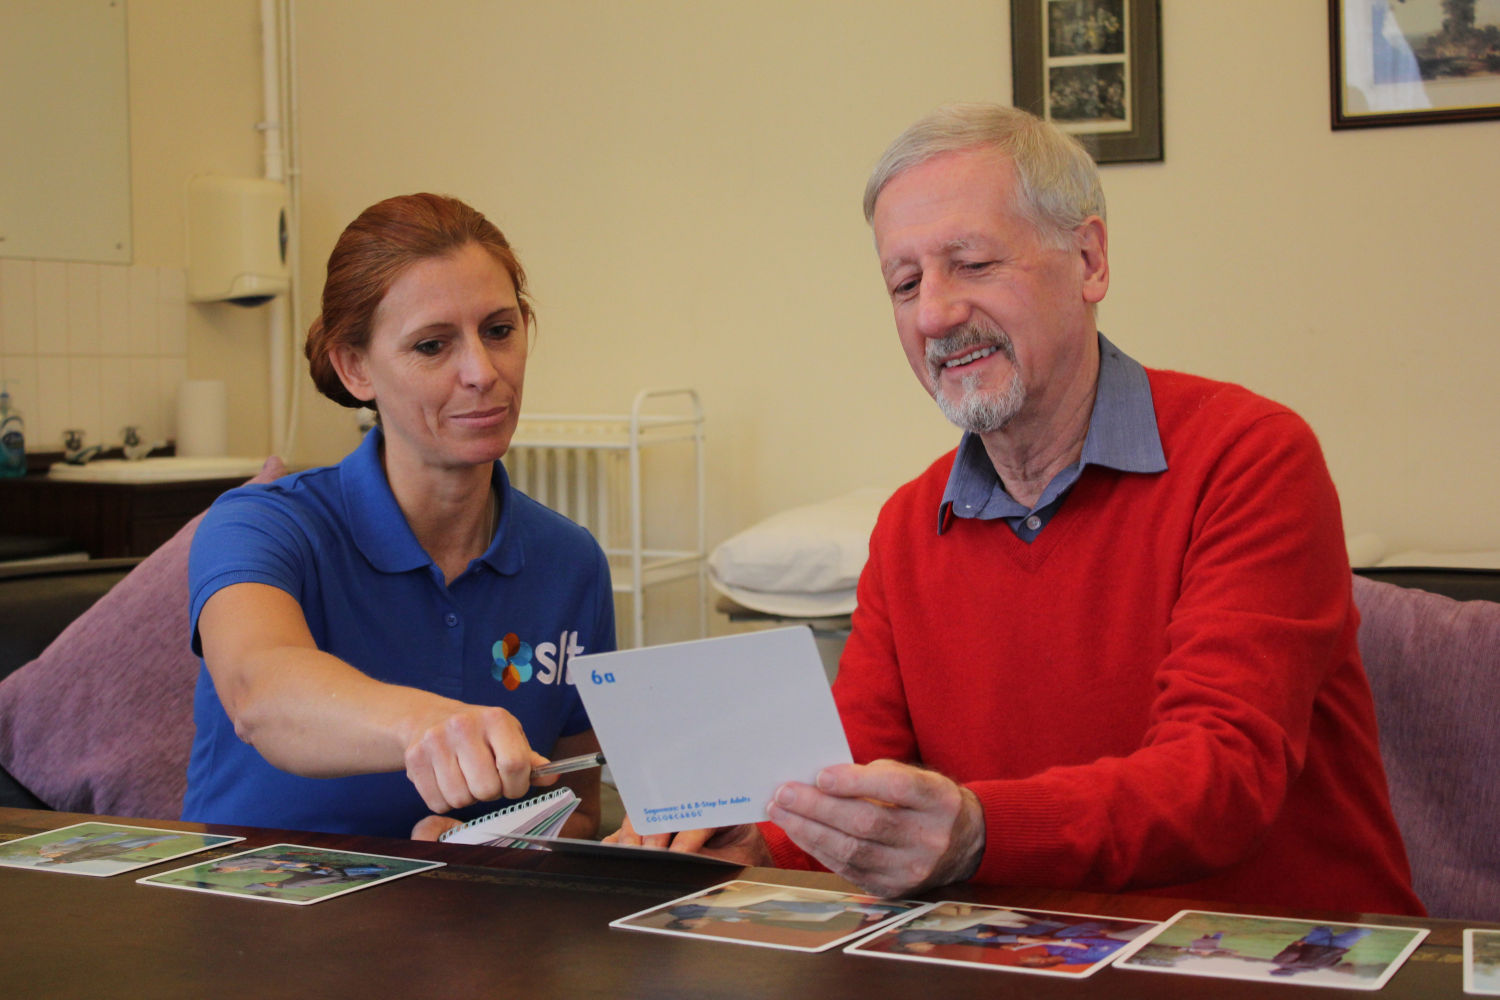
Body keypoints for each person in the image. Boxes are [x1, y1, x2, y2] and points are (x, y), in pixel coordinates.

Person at [612, 104, 1422, 915]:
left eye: (970, 264)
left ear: (1090, 260)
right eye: (905, 283)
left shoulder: (1249, 458)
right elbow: (856, 774)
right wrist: (761, 842)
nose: (933, 314)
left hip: (1285, 961)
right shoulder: (907, 527)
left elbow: (1220, 778)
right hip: (1030, 961)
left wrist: (978, 832)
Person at [181, 193, 614, 840]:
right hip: (261, 919)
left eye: (499, 331)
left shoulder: (569, 562)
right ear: (355, 367)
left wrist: (498, 851)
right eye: (433, 345)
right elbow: (258, 691)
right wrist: (429, 727)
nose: (482, 372)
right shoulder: (260, 527)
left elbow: (578, 809)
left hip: (473, 924)